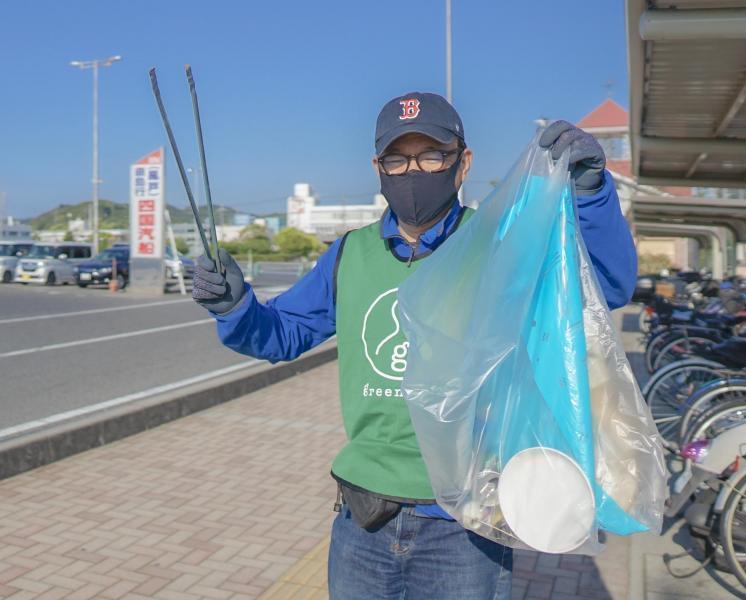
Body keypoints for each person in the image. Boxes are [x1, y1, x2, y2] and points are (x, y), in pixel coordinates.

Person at [191, 92, 637, 600]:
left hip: (466, 523)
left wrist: (591, 193)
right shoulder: (349, 253)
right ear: (377, 168)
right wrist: (235, 306)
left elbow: (603, 286)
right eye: (397, 159)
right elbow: (284, 332)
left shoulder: (499, 242)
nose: (413, 172)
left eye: (431, 155)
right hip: (363, 518)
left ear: (463, 163)